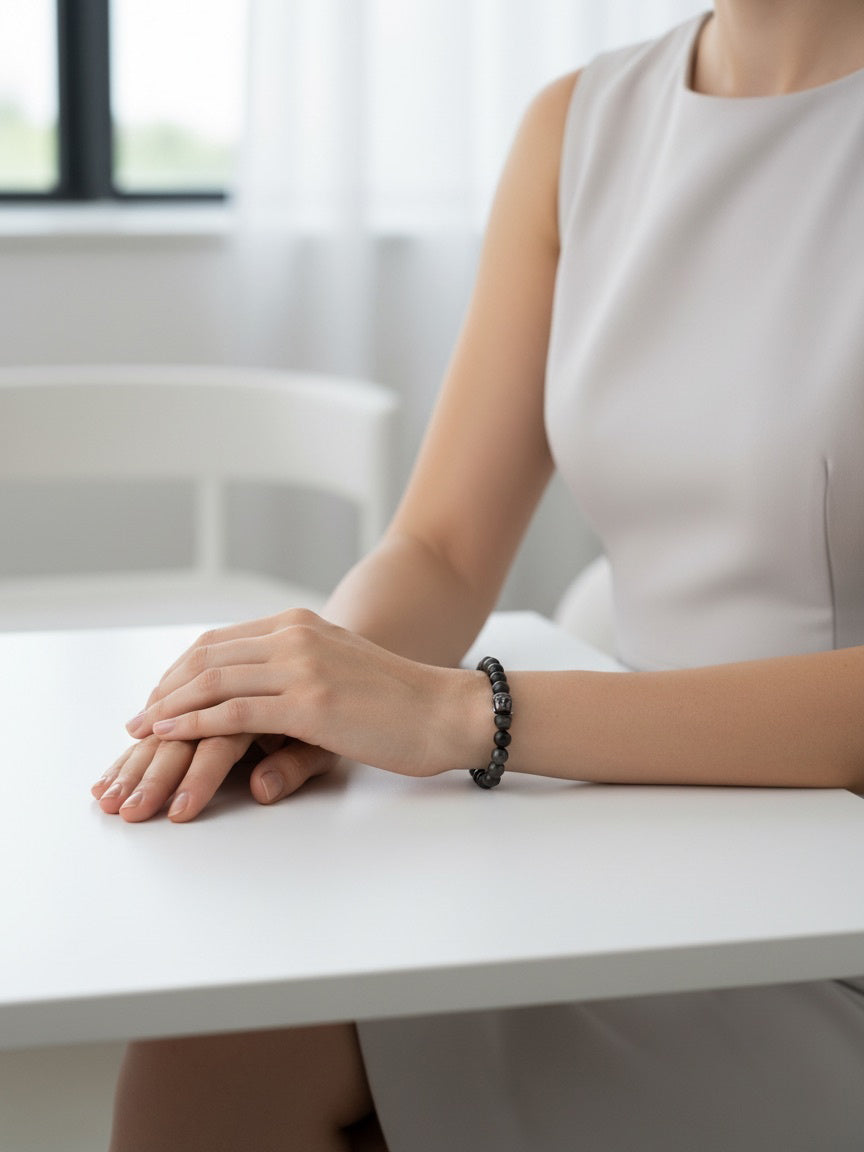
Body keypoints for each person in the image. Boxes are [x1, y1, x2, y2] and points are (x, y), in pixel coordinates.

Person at [92, 2, 864, 1149]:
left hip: (825, 910)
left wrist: (462, 711)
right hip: (651, 843)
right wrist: (311, 693)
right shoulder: (583, 125)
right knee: (223, 1027)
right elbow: (444, 545)